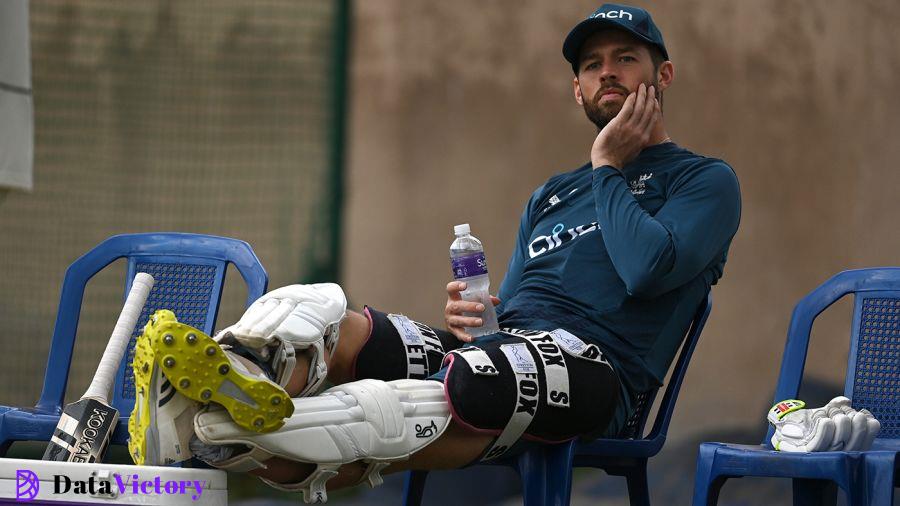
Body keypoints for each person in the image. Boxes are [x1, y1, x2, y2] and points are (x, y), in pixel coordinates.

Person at [128, 3, 741, 503]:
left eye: (625, 59)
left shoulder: (704, 181)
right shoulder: (553, 195)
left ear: (662, 76)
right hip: (510, 352)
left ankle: (224, 432)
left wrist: (607, 166)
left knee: (460, 386)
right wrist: (473, 318)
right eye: (592, 64)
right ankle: (219, 397)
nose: (607, 73)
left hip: (599, 377)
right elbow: (514, 312)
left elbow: (645, 268)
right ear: (574, 89)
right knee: (329, 320)